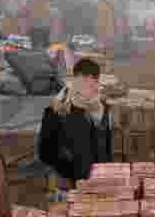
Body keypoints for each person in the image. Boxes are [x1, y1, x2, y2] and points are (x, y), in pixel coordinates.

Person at [38, 57, 113, 187]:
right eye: (83, 78)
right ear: (75, 80)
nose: (88, 84)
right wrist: (70, 172)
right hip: (70, 181)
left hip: (99, 180)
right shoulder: (57, 108)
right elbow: (45, 152)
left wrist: (105, 173)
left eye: (93, 79)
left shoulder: (102, 107)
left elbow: (106, 147)